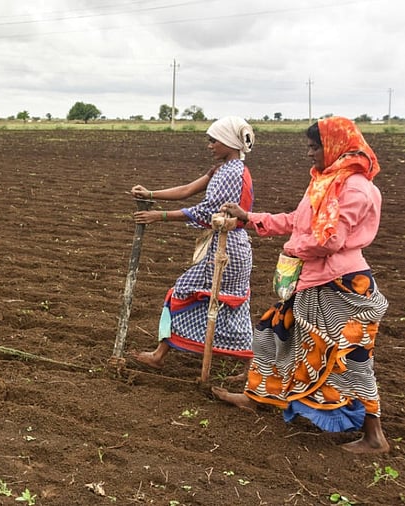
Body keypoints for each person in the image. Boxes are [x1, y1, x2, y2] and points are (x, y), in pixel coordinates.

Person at [213, 117, 389, 454]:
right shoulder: (324, 182)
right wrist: (250, 218)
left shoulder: (353, 188)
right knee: (271, 332)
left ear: (336, 146)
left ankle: (374, 436)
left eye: (314, 147)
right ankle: (256, 397)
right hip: (315, 281)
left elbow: (330, 240)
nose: (309, 153)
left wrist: (292, 249)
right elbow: (297, 220)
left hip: (342, 286)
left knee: (351, 357)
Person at [131, 116, 255, 370]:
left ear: (229, 142)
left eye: (214, 141)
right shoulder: (223, 170)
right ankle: (251, 368)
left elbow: (208, 211)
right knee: (228, 304)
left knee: (183, 293)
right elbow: (187, 189)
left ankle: (159, 355)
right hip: (229, 247)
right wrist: (151, 194)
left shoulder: (231, 173)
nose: (210, 146)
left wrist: (160, 216)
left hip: (226, 248)